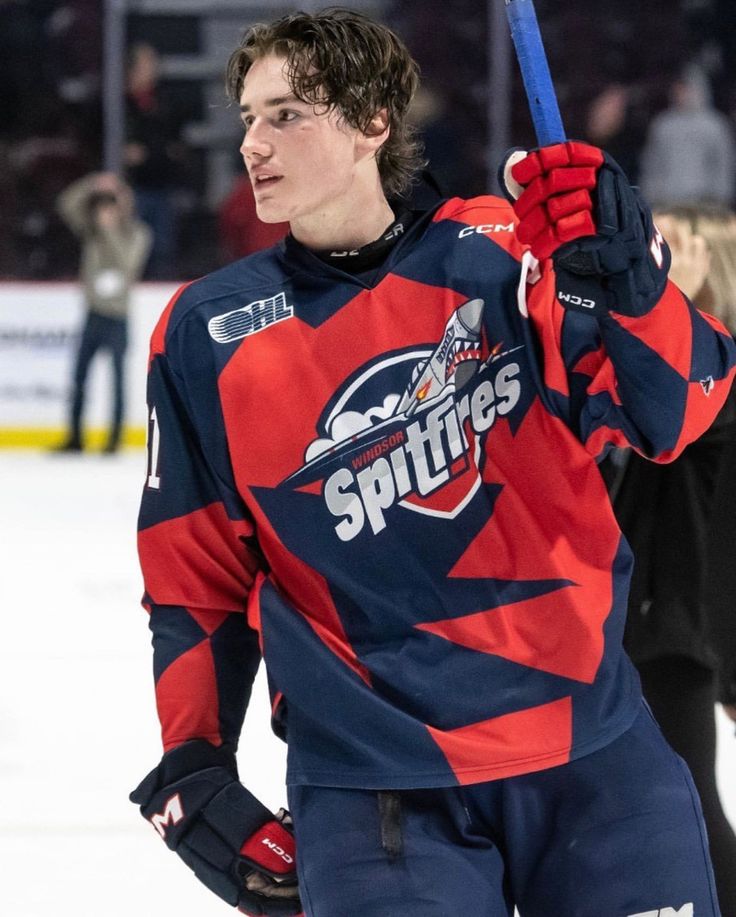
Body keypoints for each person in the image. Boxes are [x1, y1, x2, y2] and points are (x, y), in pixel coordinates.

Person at [129, 10, 736, 917]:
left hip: (594, 752)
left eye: (286, 113)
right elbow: (194, 574)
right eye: (247, 115)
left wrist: (632, 288)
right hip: (376, 788)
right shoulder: (206, 331)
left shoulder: (512, 254)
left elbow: (676, 412)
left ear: (374, 121)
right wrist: (194, 757)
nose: (252, 140)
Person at [607, 204, 736, 914]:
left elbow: (680, 428)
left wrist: (659, 308)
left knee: (693, 803)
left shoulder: (719, 377)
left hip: (679, 627)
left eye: (670, 246)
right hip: (644, 622)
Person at [54, 172, 151, 453]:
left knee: (118, 379)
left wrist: (113, 219)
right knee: (79, 377)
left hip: (118, 316)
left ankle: (114, 438)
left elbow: (127, 263)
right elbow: (66, 204)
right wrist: (94, 183)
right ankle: (75, 436)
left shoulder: (137, 234)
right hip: (93, 313)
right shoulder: (91, 232)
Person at [639, 63, 736, 209]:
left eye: (686, 88)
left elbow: (723, 163)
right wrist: (650, 195)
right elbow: (652, 163)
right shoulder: (663, 125)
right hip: (667, 202)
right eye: (679, 88)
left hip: (705, 202)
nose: (682, 93)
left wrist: (721, 197)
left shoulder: (715, 125)